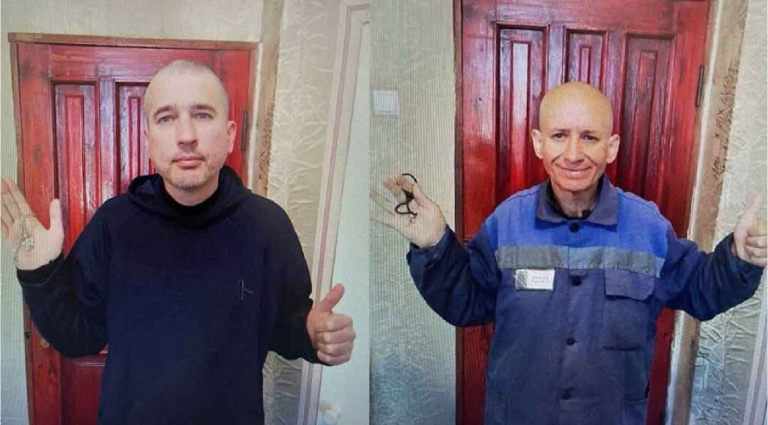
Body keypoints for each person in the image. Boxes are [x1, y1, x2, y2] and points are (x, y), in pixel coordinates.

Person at [372, 82, 767, 424]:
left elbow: (700, 288)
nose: (574, 154)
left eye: (590, 137)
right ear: (538, 143)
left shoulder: (648, 227)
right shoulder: (507, 221)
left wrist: (740, 256)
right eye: (559, 135)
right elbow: (466, 301)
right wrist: (435, 246)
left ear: (611, 147)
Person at [0, 60, 355, 425]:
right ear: (148, 138)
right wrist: (39, 274)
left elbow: (286, 325)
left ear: (230, 134)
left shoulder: (268, 225)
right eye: (166, 118)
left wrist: (312, 335)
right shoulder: (114, 224)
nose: (186, 135)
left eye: (202, 115)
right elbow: (78, 338)